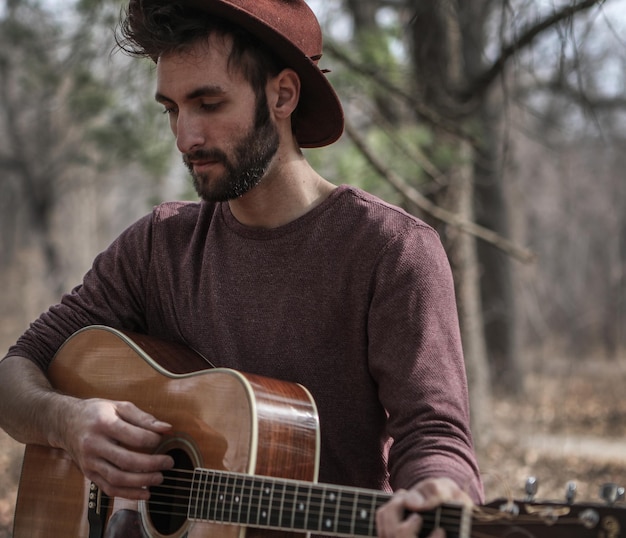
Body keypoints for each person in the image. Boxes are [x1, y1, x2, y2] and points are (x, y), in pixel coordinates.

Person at [0, 0, 483, 536]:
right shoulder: (159, 246)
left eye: (208, 103)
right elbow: (14, 374)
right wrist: (68, 423)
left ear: (282, 95)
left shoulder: (391, 250)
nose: (186, 137)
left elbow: (432, 431)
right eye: (171, 109)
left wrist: (439, 493)